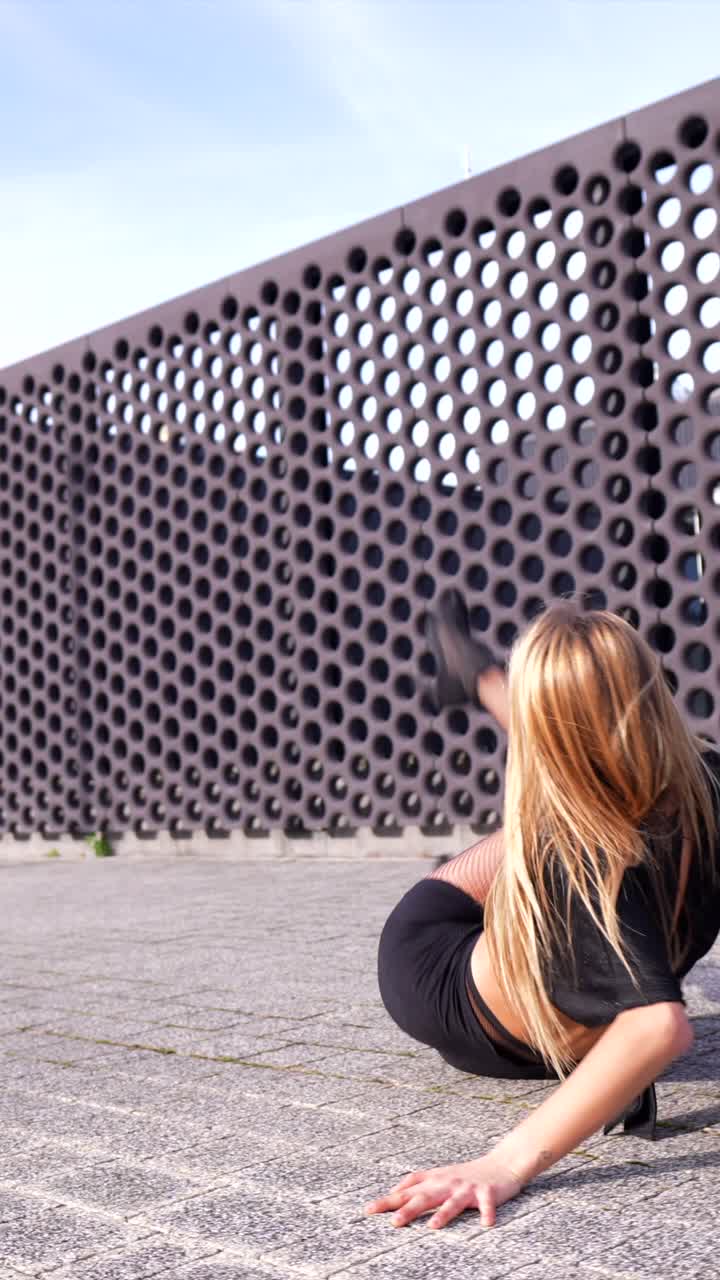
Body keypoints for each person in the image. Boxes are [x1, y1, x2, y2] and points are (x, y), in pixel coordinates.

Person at [364, 590, 720, 1231]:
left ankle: (483, 678)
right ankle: (480, 676)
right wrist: (506, 1162)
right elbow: (655, 1027)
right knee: (557, 818)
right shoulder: (574, 856)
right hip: (440, 974)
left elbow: (654, 1029)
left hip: (561, 872)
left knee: (570, 791)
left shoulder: (698, 790)